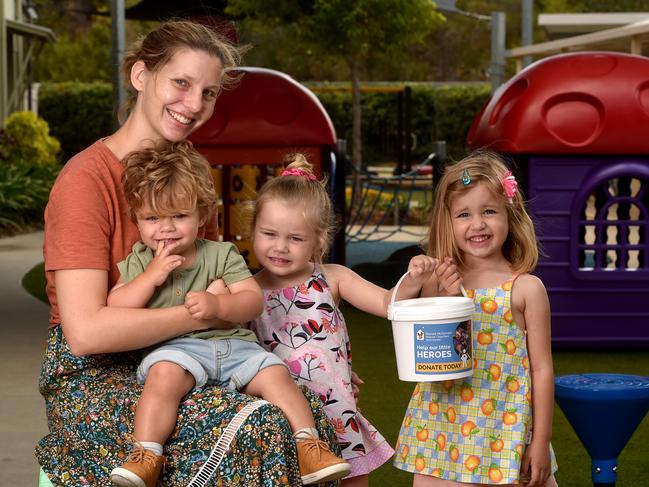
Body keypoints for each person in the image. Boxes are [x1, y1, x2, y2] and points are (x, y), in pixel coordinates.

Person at [38, 20, 340, 486]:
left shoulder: (190, 173)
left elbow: (226, 289)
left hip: (197, 352)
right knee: (255, 427)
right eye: (181, 83)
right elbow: (87, 333)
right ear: (141, 76)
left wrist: (320, 357)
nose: (194, 104)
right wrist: (198, 315)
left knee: (310, 406)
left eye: (209, 92)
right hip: (94, 374)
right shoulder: (86, 181)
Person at [108, 141, 351, 486]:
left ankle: (308, 445)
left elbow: (251, 302)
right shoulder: (139, 261)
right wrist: (150, 278)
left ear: (202, 214)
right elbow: (116, 307)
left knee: (276, 376)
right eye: (152, 218)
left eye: (179, 216)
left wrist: (218, 306)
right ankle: (147, 454)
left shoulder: (221, 254)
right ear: (137, 219)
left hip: (236, 348)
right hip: (178, 350)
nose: (166, 228)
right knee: (163, 377)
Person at [248, 154, 439, 487]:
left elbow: (387, 303)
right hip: (280, 419)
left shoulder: (333, 278)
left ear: (319, 241)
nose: (280, 247)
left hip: (336, 411)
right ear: (252, 230)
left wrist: (413, 278)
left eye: (295, 238)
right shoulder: (246, 291)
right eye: (269, 233)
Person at [392, 151, 558, 486]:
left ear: (510, 216)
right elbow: (429, 354)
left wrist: (540, 442)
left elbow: (542, 369)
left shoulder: (526, 288)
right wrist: (446, 298)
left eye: (489, 211)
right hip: (442, 426)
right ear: (448, 222)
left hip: (505, 429)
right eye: (464, 214)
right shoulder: (437, 281)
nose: (478, 224)